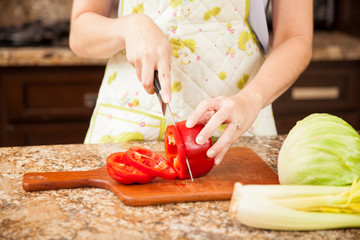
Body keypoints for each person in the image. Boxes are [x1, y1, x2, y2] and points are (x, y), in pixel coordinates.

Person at [70, 0, 313, 165]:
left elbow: (296, 36)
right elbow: (80, 31)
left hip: (238, 131)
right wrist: (128, 26)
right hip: (127, 126)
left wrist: (250, 100)